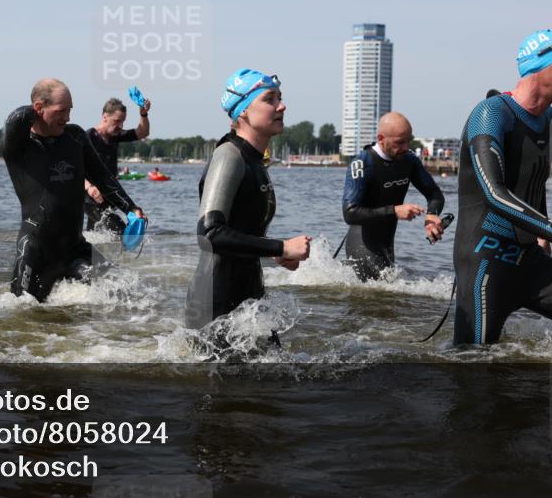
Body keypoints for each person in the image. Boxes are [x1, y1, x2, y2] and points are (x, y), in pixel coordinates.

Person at [454, 29, 552, 345]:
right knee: (472, 369)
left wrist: (544, 238)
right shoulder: (490, 114)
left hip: (529, 261)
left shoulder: (547, 117)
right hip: (485, 262)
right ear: (539, 66)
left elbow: (534, 182)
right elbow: (494, 193)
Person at [186, 68, 311, 329]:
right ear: (242, 110)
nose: (282, 105)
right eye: (270, 99)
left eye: (280, 97)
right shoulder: (229, 156)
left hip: (247, 296)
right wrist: (281, 247)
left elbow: (239, 230)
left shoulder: (254, 160)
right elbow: (209, 233)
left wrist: (272, 253)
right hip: (216, 302)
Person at [3, 78, 146, 302]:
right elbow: (15, 119)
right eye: (61, 110)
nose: (67, 118)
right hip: (36, 252)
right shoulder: (19, 146)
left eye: (70, 110)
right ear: (38, 108)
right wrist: (34, 110)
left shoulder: (75, 137)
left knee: (127, 292)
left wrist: (131, 208)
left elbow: (102, 176)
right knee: (23, 313)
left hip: (75, 249)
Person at [341, 112, 446, 281]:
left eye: (408, 141)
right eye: (399, 142)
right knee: (375, 299)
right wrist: (395, 211)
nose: (406, 147)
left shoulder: (409, 161)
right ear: (381, 138)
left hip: (387, 243)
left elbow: (435, 194)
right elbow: (350, 213)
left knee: (389, 295)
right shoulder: (362, 164)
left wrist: (432, 215)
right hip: (362, 242)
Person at [83, 96, 151, 234]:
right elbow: (76, 167)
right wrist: (89, 187)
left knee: (93, 234)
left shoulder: (115, 135)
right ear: (104, 117)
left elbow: (143, 132)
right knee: (120, 232)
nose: (120, 126)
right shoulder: (88, 137)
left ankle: (89, 253)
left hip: (109, 195)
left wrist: (143, 114)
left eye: (122, 122)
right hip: (90, 196)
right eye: (117, 121)